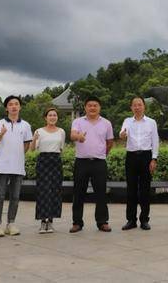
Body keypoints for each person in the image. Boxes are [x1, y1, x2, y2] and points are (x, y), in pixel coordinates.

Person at [70, 97, 114, 233]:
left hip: (99, 162)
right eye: (89, 105)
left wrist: (102, 153)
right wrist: (79, 137)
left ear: (99, 107)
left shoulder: (106, 123)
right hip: (81, 162)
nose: (92, 108)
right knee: (78, 193)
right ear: (85, 107)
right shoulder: (78, 122)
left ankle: (102, 222)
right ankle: (77, 222)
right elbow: (72, 135)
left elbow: (110, 142)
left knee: (101, 193)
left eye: (95, 105)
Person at [0, 95, 32, 237]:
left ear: (20, 107)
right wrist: (1, 134)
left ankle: (11, 223)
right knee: (0, 196)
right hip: (2, 166)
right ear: (6, 108)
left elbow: (26, 144)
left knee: (15, 196)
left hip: (18, 166)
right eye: (10, 104)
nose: (14, 106)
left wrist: (19, 155)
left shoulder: (26, 125)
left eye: (16, 104)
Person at [119, 96, 159, 231]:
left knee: (145, 190)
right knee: (131, 190)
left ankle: (144, 220)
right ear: (131, 107)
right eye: (134, 105)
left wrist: (154, 159)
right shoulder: (127, 121)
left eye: (139, 104)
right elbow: (122, 133)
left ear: (144, 106)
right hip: (131, 157)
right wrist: (122, 135)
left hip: (146, 156)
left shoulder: (151, 122)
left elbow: (155, 141)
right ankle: (131, 220)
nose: (137, 107)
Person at [30, 107, 65, 234]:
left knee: (55, 190)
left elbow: (61, 149)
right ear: (45, 117)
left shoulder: (61, 131)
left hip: (55, 161)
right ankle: (42, 221)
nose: (52, 117)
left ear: (57, 117)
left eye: (54, 115)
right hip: (43, 160)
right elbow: (32, 149)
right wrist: (34, 139)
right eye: (50, 115)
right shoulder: (39, 131)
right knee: (43, 190)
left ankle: (50, 221)